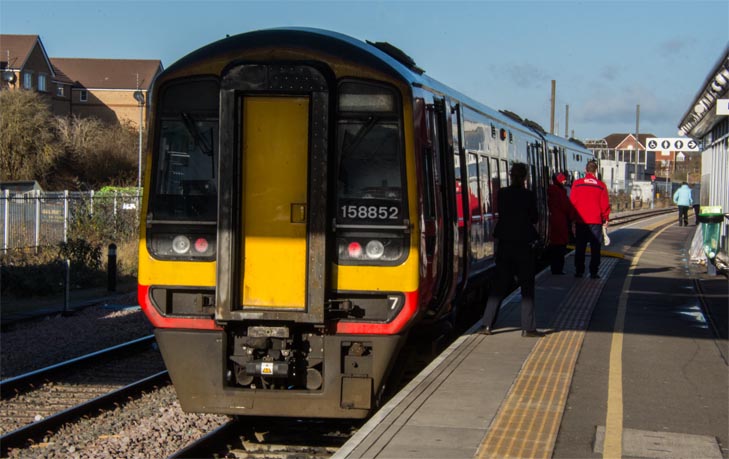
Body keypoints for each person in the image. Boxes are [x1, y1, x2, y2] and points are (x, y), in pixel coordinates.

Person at [479, 162, 543, 338]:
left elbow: (503, 213)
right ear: (524, 178)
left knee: (499, 285)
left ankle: (486, 324)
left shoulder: (503, 194)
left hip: (505, 244)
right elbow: (534, 218)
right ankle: (528, 328)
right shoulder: (528, 196)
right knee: (527, 287)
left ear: (510, 176)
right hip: (523, 245)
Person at [570, 160, 610, 279]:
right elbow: (605, 204)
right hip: (596, 221)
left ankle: (579, 271)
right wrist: (606, 218)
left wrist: (572, 220)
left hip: (581, 221)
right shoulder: (601, 185)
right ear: (596, 171)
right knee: (595, 247)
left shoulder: (577, 184)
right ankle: (594, 272)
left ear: (586, 170)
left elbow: (573, 202)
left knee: (580, 247)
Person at [546, 173, 575, 275]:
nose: (565, 182)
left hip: (553, 222)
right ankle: (558, 269)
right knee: (561, 247)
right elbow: (567, 207)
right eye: (563, 180)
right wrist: (572, 217)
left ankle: (555, 268)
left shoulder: (551, 191)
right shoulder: (560, 193)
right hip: (561, 222)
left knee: (555, 246)